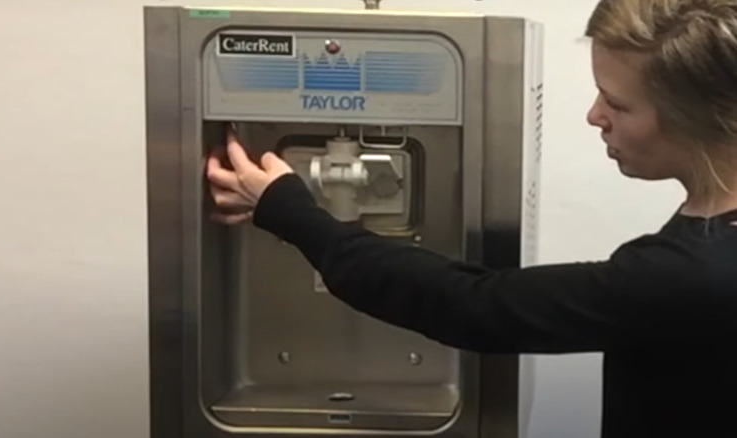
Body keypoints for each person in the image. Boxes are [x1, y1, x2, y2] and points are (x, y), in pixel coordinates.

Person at [205, 0, 737, 436]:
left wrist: (287, 208)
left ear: (698, 118)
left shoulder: (694, 275)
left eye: (617, 105)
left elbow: (471, 305)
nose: (594, 115)